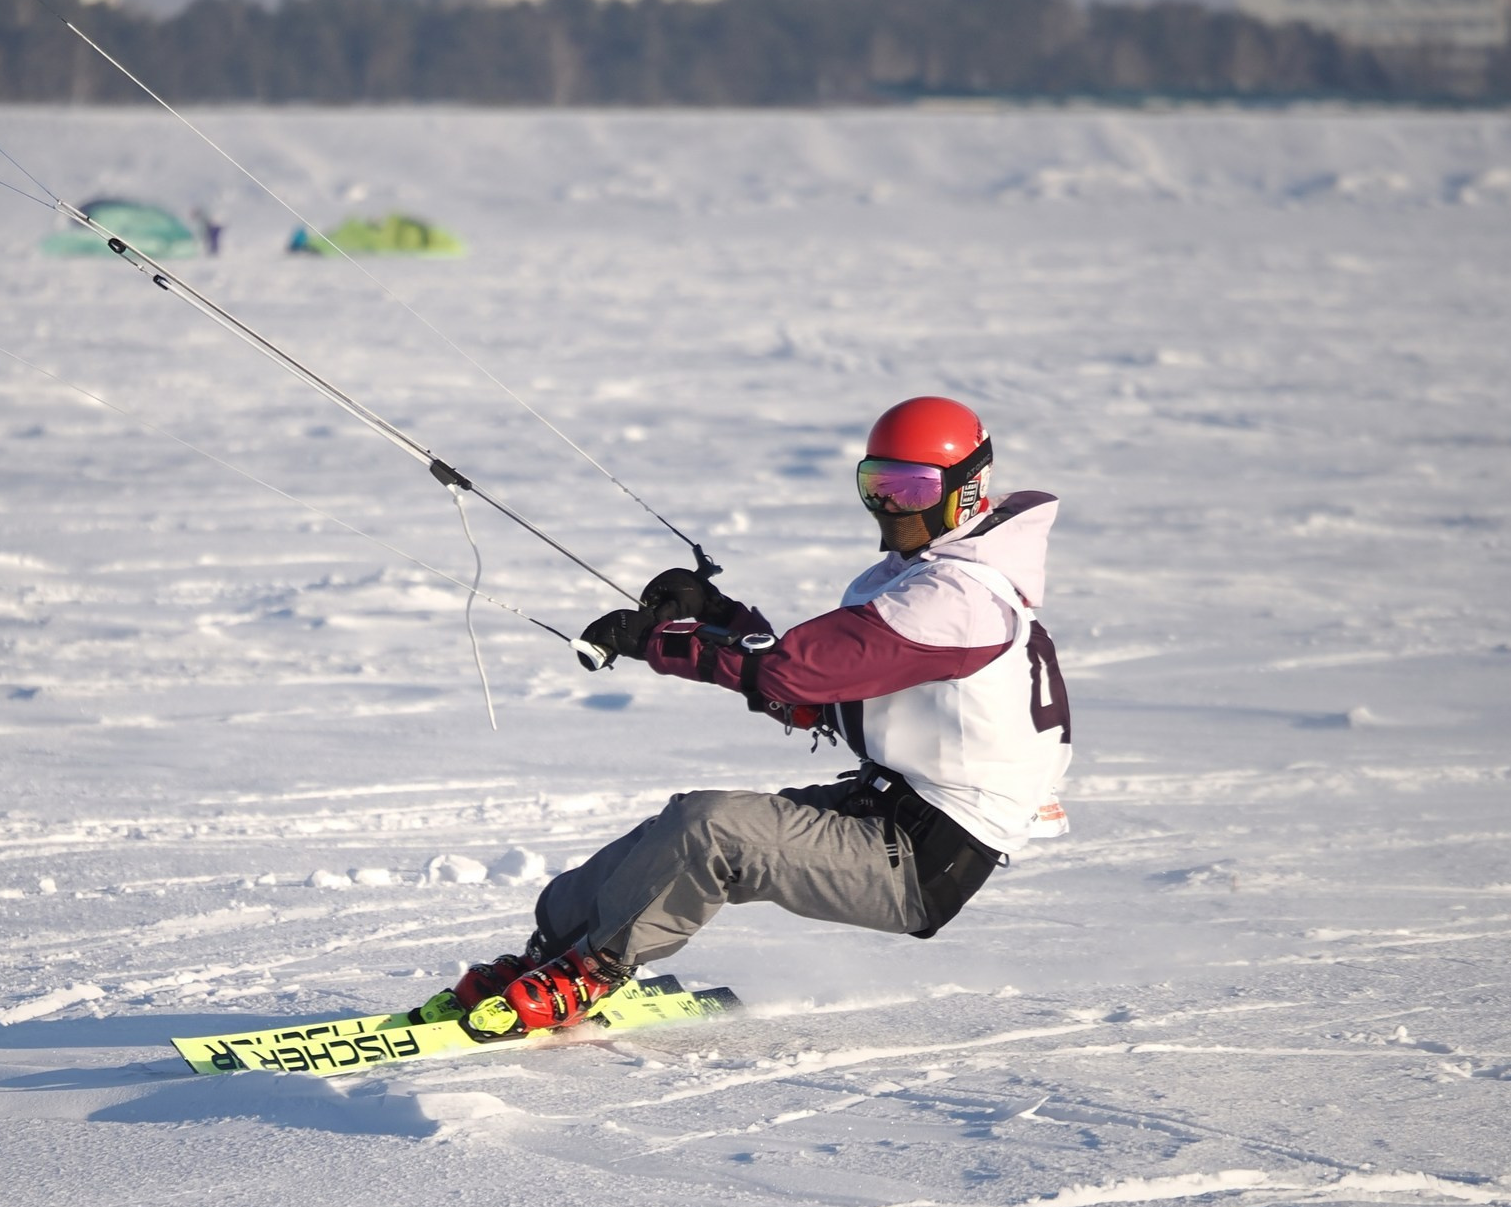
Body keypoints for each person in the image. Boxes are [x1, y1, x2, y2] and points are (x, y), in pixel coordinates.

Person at [446, 395, 1072, 1040]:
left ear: (966, 493)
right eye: (876, 484)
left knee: (712, 830)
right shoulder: (933, 578)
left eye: (909, 488)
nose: (888, 506)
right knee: (675, 829)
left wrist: (661, 642)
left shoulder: (957, 598)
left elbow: (788, 673)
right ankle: (550, 953)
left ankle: (593, 972)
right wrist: (721, 617)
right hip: (887, 806)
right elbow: (814, 693)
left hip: (925, 857)